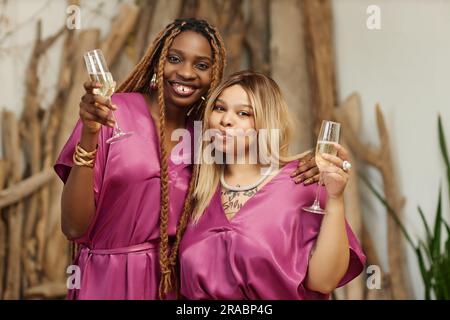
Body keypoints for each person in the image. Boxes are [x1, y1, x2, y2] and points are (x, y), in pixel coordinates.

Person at [54, 18, 319, 299]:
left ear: (213, 75)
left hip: (172, 285)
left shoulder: (210, 137)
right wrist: (89, 134)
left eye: (201, 65)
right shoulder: (112, 113)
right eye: (175, 58)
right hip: (105, 278)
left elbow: (253, 176)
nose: (186, 72)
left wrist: (309, 167)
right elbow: (73, 226)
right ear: (158, 61)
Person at [179, 70, 366, 300]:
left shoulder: (301, 181)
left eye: (244, 113)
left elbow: (323, 281)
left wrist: (335, 199)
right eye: (219, 108)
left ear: (266, 123)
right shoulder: (197, 190)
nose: (226, 120)